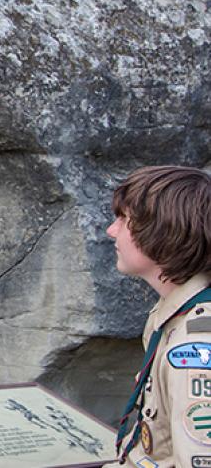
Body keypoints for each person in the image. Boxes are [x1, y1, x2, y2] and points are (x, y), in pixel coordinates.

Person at [105, 166, 211, 468]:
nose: (111, 230)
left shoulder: (196, 346)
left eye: (124, 220)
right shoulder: (169, 313)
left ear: (162, 230)